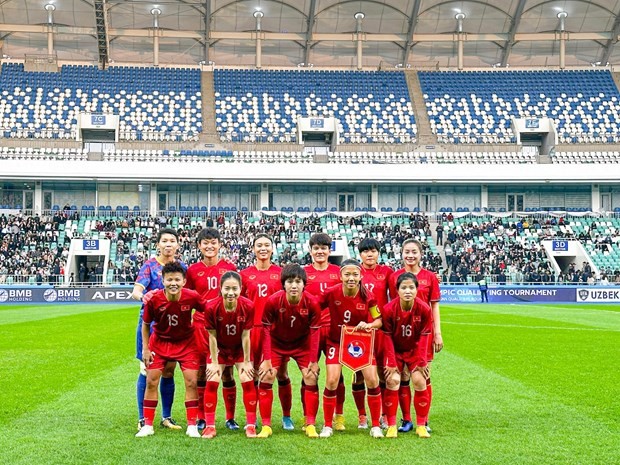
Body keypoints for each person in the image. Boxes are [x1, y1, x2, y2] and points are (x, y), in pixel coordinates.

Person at [136, 262, 206, 438]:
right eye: (169, 279)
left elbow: (208, 311)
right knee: (152, 381)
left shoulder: (192, 296)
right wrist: (145, 348)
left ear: (184, 281)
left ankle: (192, 425)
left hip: (186, 343)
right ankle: (148, 425)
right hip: (159, 343)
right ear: (163, 280)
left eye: (177, 279)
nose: (173, 283)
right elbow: (145, 325)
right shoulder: (154, 299)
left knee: (191, 381)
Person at [318, 259, 384, 439]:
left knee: (372, 379)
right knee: (332, 380)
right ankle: (327, 425)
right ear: (340, 276)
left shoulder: (368, 296)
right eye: (347, 274)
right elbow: (315, 307)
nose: (351, 278)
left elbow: (379, 320)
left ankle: (375, 425)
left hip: (359, 342)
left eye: (355, 274)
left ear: (361, 276)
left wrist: (369, 325)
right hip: (336, 341)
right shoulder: (331, 293)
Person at [256, 264, 321, 438]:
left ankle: (310, 424)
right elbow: (266, 330)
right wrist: (267, 359)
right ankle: (266, 425)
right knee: (267, 375)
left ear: (304, 284)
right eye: (290, 281)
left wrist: (313, 361)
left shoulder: (312, 302)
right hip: (277, 344)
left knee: (310, 376)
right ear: (283, 284)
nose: (294, 285)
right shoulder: (273, 301)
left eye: (298, 281)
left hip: (302, 344)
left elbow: (315, 332)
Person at [185, 228, 238, 432]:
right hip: (200, 327)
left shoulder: (229, 268)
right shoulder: (192, 270)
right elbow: (188, 298)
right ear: (199, 246)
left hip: (225, 327)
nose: (209, 246)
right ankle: (201, 417)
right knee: (201, 373)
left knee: (227, 372)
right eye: (205, 243)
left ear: (219, 245)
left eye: (213, 242)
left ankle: (230, 418)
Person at [132, 228, 185, 431]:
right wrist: (142, 296)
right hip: (151, 326)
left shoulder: (181, 267)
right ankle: (142, 418)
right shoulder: (150, 266)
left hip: (173, 327)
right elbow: (137, 289)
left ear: (178, 245)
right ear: (158, 245)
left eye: (172, 240)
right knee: (147, 371)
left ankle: (166, 416)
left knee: (169, 371)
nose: (169, 244)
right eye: (165, 241)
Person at [388, 239, 442, 434]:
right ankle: (406, 419)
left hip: (423, 334)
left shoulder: (430, 277)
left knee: (422, 374)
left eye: (414, 252)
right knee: (402, 376)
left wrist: (437, 333)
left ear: (421, 254)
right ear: (401, 253)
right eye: (407, 252)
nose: (410, 255)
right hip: (400, 334)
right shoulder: (394, 276)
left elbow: (434, 305)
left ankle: (423, 419)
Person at [239, 234, 288, 427]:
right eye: (259, 245)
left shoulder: (281, 273)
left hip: (275, 331)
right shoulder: (244, 274)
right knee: (252, 374)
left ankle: (286, 416)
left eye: (267, 245)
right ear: (253, 249)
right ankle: (254, 417)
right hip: (251, 330)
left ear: (273, 249)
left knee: (281, 373)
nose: (263, 248)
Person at [202, 271, 257, 438]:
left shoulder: (248, 306)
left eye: (235, 288)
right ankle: (210, 426)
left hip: (240, 348)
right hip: (219, 348)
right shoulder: (211, 306)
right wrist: (213, 361)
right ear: (220, 289)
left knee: (247, 380)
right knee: (212, 380)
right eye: (227, 288)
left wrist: (247, 361)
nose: (231, 292)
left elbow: (246, 335)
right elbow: (212, 336)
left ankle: (250, 425)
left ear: (241, 289)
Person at [381, 272, 433, 439]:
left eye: (411, 287)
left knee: (419, 380)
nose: (408, 291)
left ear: (417, 290)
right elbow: (387, 336)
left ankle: (421, 425)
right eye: (403, 287)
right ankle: (391, 425)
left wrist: (422, 361)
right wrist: (390, 361)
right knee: (393, 380)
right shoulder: (388, 309)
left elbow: (425, 335)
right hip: (395, 351)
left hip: (415, 350)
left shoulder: (424, 309)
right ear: (397, 290)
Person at [302, 233, 342, 429]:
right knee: (309, 373)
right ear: (310, 251)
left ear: (329, 250)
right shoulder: (304, 273)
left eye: (324, 248)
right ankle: (307, 416)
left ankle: (338, 415)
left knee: (336, 374)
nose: (320, 251)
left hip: (335, 329)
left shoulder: (338, 272)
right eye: (316, 248)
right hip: (311, 331)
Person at [354, 237, 394, 429]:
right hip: (359, 330)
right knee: (359, 375)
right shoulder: (354, 271)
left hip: (380, 329)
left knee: (382, 372)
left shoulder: (386, 272)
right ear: (359, 254)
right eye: (365, 251)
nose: (369, 254)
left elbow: (397, 296)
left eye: (373, 251)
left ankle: (384, 415)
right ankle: (362, 416)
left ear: (379, 253)